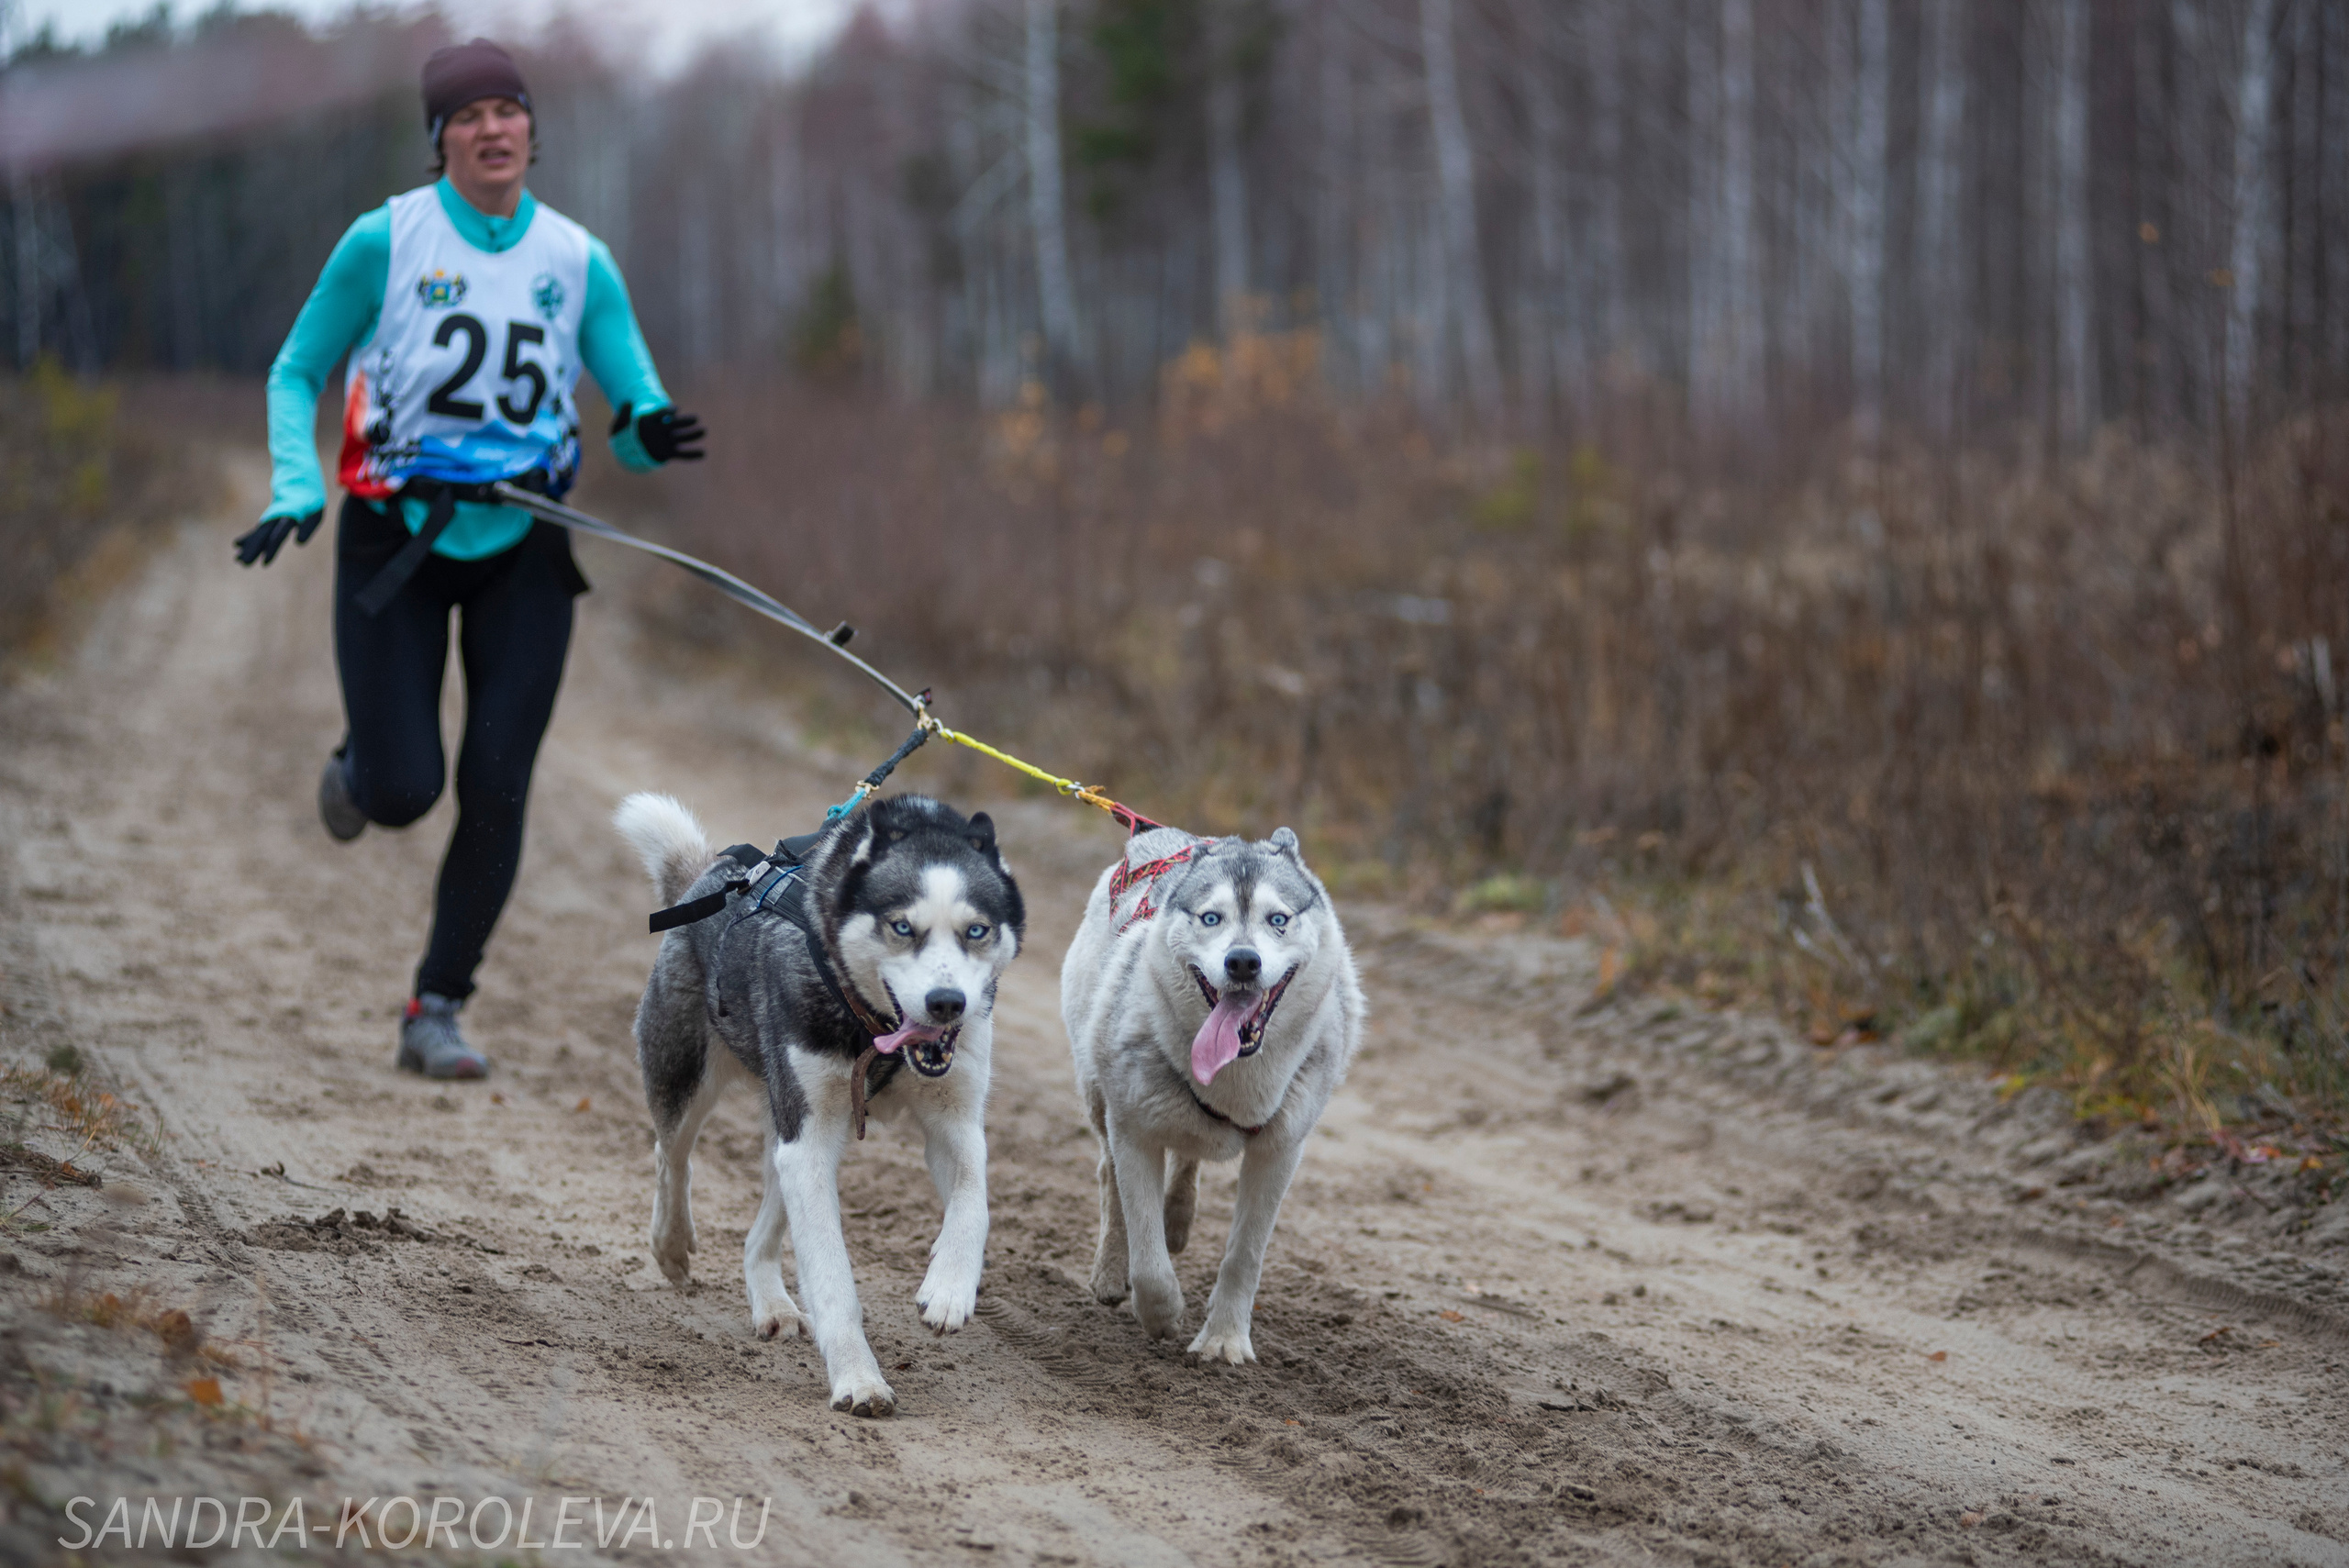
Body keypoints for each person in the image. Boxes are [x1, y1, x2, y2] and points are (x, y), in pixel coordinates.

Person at [238, 39, 704, 1080]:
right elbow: (295, 370)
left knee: (497, 787)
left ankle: (435, 1007)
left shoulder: (578, 260)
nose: (493, 128)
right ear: (440, 138)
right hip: (393, 537)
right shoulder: (385, 240)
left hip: (524, 546)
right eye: (468, 114)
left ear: (533, 128)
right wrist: (295, 483)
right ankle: (359, 772)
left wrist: (646, 435)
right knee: (405, 789)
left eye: (508, 109)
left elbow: (636, 412)